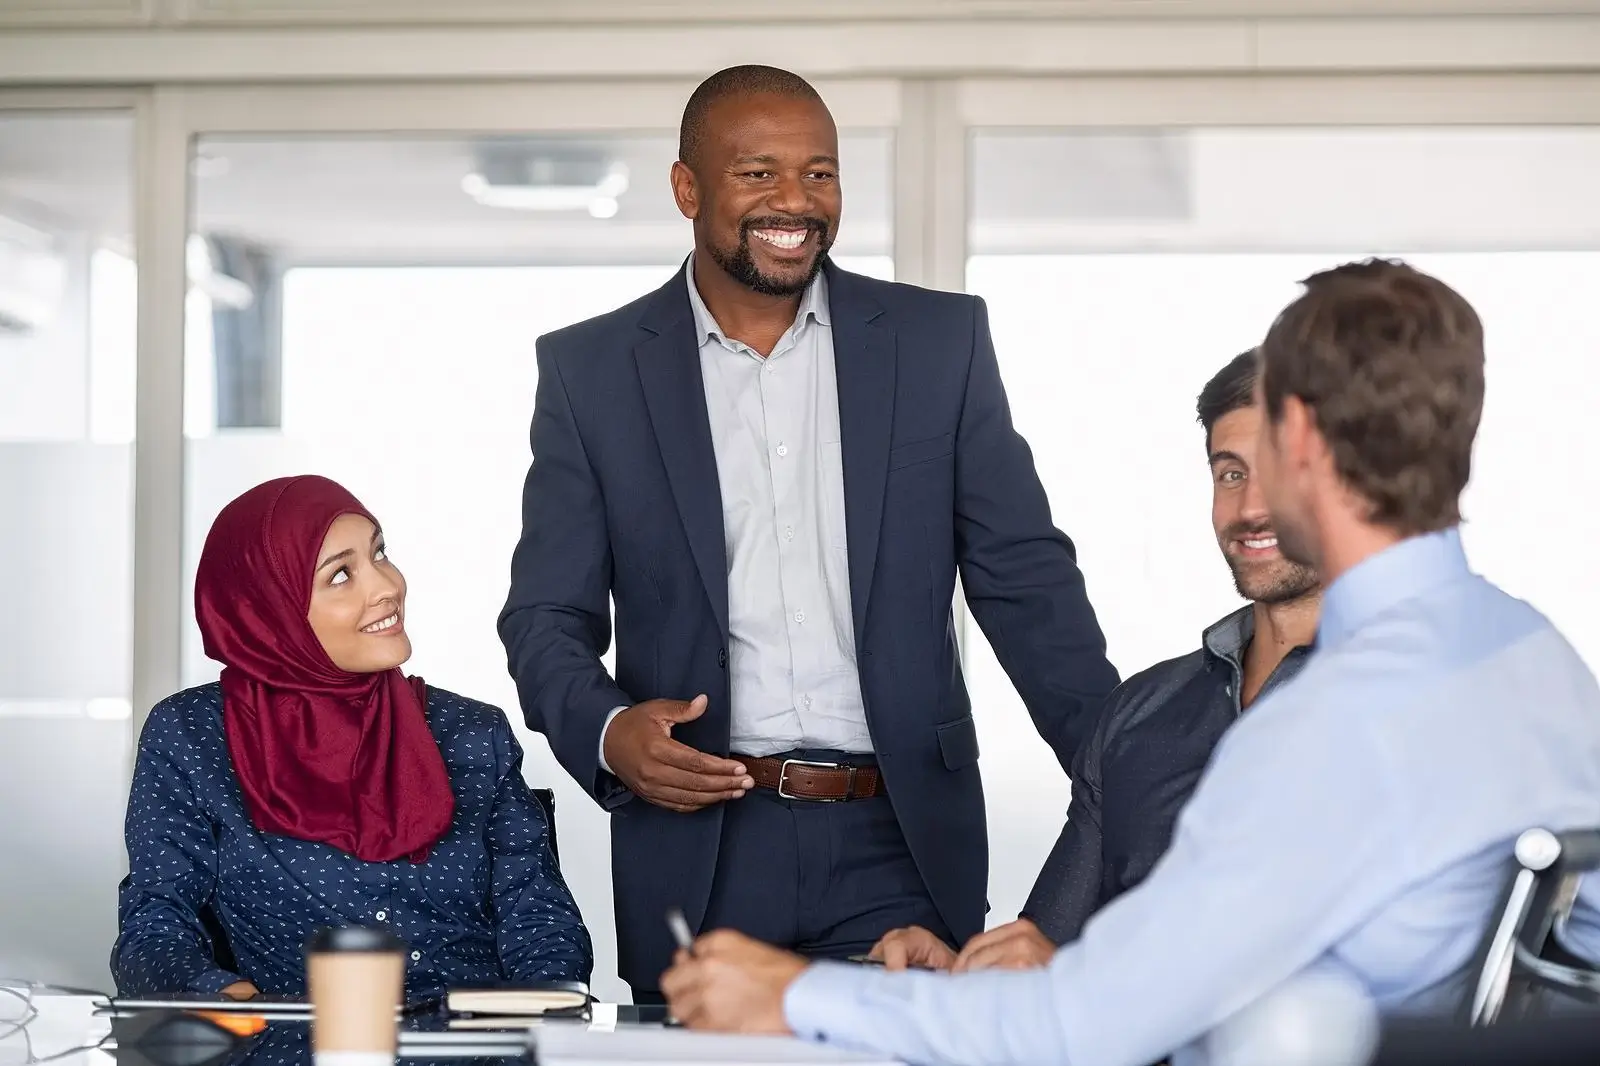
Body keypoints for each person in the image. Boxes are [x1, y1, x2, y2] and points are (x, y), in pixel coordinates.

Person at [658, 258, 1600, 1066]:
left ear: (1300, 438)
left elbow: (1087, 1031)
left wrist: (796, 996)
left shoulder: (1326, 727)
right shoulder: (1538, 661)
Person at [499, 64, 1118, 998]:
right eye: (758, 174)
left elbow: (1024, 579)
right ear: (687, 188)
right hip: (702, 841)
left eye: (820, 174)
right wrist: (608, 727)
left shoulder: (937, 343)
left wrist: (1131, 767)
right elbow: (545, 616)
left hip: (899, 837)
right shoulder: (592, 372)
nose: (796, 201)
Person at [872, 349, 1322, 974]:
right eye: (1231, 473)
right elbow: (1044, 958)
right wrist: (958, 978)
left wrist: (1078, 984)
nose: (1250, 509)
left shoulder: (1423, 706)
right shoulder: (1140, 715)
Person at [113, 475, 592, 1000]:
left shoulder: (474, 734)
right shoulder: (192, 736)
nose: (388, 585)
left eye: (379, 552)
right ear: (268, 612)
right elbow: (155, 925)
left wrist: (544, 1017)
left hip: (478, 1050)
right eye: (341, 575)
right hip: (291, 1051)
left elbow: (539, 919)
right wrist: (219, 999)